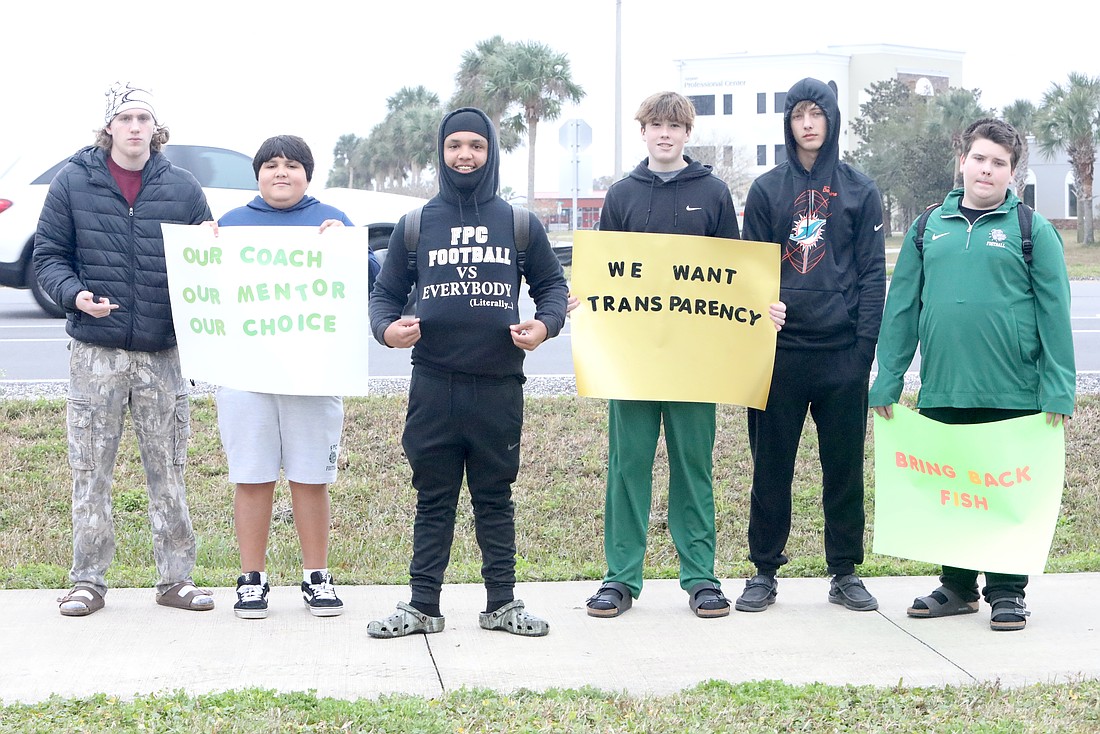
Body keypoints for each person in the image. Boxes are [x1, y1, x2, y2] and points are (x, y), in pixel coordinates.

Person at [366, 107, 568, 638]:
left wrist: (545, 327)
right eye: (455, 145)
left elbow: (553, 287)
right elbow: (384, 294)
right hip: (432, 382)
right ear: (441, 151)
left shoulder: (518, 223)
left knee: (494, 497)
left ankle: (502, 603)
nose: (465, 155)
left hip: (498, 384)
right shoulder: (417, 224)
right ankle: (422, 606)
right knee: (433, 498)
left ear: (491, 152)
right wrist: (387, 330)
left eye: (476, 146)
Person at [584, 91, 785, 620]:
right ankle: (620, 579)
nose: (665, 134)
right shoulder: (621, 195)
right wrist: (588, 301)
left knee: (693, 470)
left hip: (697, 362)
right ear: (643, 131)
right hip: (633, 363)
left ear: (687, 133)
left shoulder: (713, 193)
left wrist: (761, 310)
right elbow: (608, 273)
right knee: (627, 470)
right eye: (655, 125)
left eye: (674, 125)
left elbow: (733, 278)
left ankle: (702, 577)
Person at [869, 117, 1075, 631]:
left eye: (999, 163)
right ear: (963, 161)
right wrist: (887, 377)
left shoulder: (1032, 230)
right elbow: (901, 310)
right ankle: (958, 587)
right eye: (979, 158)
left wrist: (1059, 388)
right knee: (954, 493)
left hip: (1014, 391)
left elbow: (1055, 313)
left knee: (1003, 493)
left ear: (1012, 173)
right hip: (943, 387)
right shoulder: (926, 228)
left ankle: (1007, 592)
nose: (987, 169)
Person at [33, 83, 215, 617]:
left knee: (169, 468)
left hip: (162, 353)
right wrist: (74, 296)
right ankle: (87, 580)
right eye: (125, 117)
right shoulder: (72, 183)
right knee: (90, 468)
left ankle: (175, 579)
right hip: (96, 352)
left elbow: (208, 258)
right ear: (108, 127)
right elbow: (48, 257)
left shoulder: (182, 188)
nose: (135, 127)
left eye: (144, 118)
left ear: (155, 129)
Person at [208, 135, 380, 619]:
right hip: (246, 373)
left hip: (313, 371)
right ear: (258, 174)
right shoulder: (231, 224)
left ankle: (316, 577)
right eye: (271, 165)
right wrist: (203, 247)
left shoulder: (331, 220)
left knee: (310, 477)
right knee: (252, 476)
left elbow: (371, 279)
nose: (281, 173)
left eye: (292, 165)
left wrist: (349, 247)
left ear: (308, 174)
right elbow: (203, 287)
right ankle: (251, 580)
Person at [736, 77, 886, 613]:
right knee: (769, 467)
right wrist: (759, 317)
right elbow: (747, 273)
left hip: (840, 354)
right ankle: (763, 572)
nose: (808, 123)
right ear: (788, 122)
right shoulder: (765, 190)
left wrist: (862, 350)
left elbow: (873, 275)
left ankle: (844, 572)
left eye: (816, 113)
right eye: (798, 114)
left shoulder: (860, 189)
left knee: (843, 469)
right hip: (780, 356)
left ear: (831, 119)